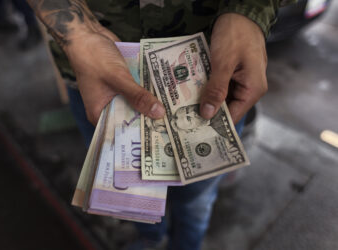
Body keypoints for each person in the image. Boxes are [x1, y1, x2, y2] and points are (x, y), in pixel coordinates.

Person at [27, 1, 294, 249]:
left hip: (210, 71)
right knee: (130, 190)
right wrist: (78, 35)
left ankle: (184, 244)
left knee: (193, 200)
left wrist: (250, 10)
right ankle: (150, 238)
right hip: (93, 72)